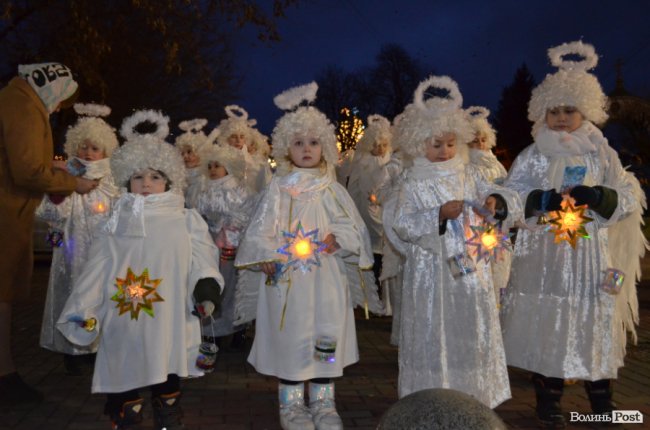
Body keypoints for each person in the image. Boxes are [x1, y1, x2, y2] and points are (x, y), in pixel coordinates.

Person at [500, 41, 646, 428]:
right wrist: (541, 199)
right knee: (549, 326)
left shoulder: (602, 154)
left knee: (594, 323)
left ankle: (602, 400)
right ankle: (548, 401)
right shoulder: (534, 154)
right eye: (554, 111)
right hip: (545, 261)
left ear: (587, 110)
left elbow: (630, 194)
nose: (561, 118)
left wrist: (601, 196)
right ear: (541, 112)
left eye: (569, 110)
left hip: (591, 260)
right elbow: (511, 194)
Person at [56, 109, 223, 430]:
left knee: (167, 363)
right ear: (126, 180)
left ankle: (168, 414)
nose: (146, 184)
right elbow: (97, 267)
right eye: (138, 177)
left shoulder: (186, 220)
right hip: (125, 314)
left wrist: (206, 288)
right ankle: (125, 415)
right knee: (124, 363)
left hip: (170, 313)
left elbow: (203, 257)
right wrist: (85, 306)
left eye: (156, 176)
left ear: (169, 180)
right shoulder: (115, 221)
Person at [234, 82, 382, 430]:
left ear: (325, 147)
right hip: (287, 282)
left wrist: (338, 239)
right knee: (290, 337)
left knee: (324, 334)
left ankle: (323, 402)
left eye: (313, 142)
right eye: (298, 143)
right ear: (287, 147)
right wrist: (266, 255)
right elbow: (261, 228)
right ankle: (291, 404)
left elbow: (354, 228)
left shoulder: (333, 189)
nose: (306, 149)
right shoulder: (278, 188)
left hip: (324, 280)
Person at [384, 75, 522, 408]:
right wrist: (438, 215)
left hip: (470, 270)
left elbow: (500, 193)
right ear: (419, 144)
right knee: (433, 330)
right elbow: (400, 224)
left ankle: (473, 393)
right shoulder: (411, 181)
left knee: (471, 328)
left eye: (449, 143)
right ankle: (430, 395)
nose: (444, 151)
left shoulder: (470, 172)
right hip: (430, 273)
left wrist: (495, 203)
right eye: (435, 145)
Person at [0, 62, 97, 403]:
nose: (56, 108)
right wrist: (73, 183)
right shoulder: (24, 105)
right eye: (59, 102)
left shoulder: (17, 99)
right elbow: (27, 169)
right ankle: (5, 376)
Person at [36, 103, 120, 375]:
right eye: (83, 147)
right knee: (75, 294)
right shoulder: (67, 175)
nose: (88, 153)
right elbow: (51, 213)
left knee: (103, 295)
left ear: (106, 151)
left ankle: (99, 346)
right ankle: (74, 350)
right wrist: (60, 192)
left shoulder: (113, 179)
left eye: (95, 148)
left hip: (105, 251)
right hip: (73, 250)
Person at [197, 143, 255, 350]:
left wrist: (226, 224)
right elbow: (199, 216)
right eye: (210, 165)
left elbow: (245, 214)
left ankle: (237, 328)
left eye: (218, 165)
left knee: (232, 288)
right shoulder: (204, 189)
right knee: (212, 286)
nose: (213, 170)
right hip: (210, 245)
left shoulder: (237, 189)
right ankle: (212, 331)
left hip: (231, 246)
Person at [465, 106, 511, 305]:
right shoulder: (466, 166)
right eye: (475, 140)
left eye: (483, 139)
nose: (480, 144)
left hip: (498, 228)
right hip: (475, 227)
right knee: (478, 272)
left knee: (499, 270)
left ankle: (499, 310)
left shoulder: (496, 165)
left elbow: (508, 190)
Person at [347, 114, 392, 299]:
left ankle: (384, 292)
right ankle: (370, 291)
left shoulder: (391, 162)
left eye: (382, 145)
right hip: (367, 211)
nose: (379, 149)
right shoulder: (362, 162)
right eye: (375, 145)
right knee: (372, 251)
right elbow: (355, 187)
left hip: (385, 211)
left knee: (385, 250)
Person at [216, 105, 272, 193]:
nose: (238, 140)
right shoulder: (220, 159)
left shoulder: (254, 159)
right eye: (234, 137)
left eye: (242, 137)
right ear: (226, 139)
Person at [174, 118, 214, 209]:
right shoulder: (178, 175)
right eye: (182, 153)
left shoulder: (208, 175)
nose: (185, 156)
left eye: (189, 152)